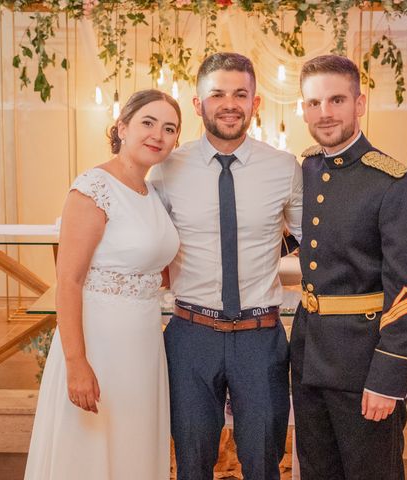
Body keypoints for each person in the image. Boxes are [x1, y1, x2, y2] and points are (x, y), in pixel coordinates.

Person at [150, 52, 303, 480]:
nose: (229, 103)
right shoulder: (164, 169)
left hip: (260, 338)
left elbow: (316, 240)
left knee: (263, 461)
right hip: (190, 335)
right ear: (198, 104)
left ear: (256, 104)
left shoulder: (283, 168)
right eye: (217, 94)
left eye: (240, 94)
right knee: (191, 462)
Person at [290, 54, 407, 480]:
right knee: (317, 471)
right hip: (309, 354)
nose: (325, 113)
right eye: (313, 103)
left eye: (337, 100)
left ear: (360, 103)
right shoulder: (309, 168)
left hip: (363, 362)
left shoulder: (395, 184)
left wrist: (388, 377)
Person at [24, 89, 181, 480]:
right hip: (99, 343)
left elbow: (153, 267)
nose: (157, 135)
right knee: (91, 448)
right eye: (147, 123)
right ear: (122, 127)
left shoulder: (152, 192)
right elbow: (69, 281)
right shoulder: (93, 187)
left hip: (143, 344)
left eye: (169, 128)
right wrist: (77, 364)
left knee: (133, 444)